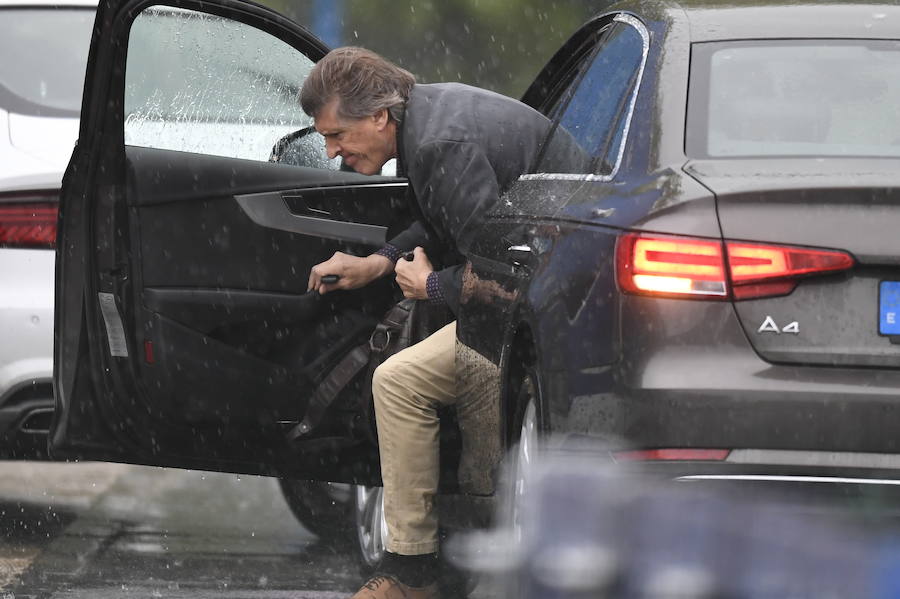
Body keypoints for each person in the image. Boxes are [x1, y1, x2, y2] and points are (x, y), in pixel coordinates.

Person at [300, 47, 553, 599]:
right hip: (539, 294)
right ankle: (414, 568)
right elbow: (441, 220)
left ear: (377, 118)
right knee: (399, 377)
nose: (333, 152)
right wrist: (379, 262)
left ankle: (416, 575)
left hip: (548, 312)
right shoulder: (429, 120)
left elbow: (503, 274)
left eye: (337, 135)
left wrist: (432, 287)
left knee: (399, 380)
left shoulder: (438, 143)